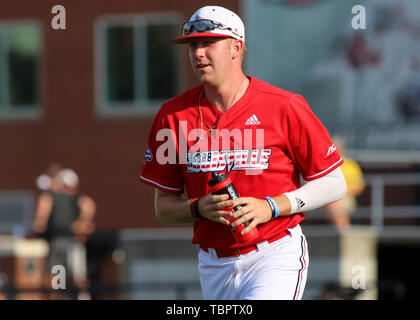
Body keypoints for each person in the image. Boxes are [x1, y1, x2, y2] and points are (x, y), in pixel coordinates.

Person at [139, 6, 347, 300]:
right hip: (213, 263)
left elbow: (334, 182)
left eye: (208, 43)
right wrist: (198, 208)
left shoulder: (283, 105)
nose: (198, 53)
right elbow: (163, 208)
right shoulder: (172, 115)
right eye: (193, 45)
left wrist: (271, 207)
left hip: (274, 253)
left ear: (236, 47)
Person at [32, 168, 96, 299]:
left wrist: (82, 224)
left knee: (76, 276)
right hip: (61, 241)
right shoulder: (53, 197)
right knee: (59, 277)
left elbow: (89, 207)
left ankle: (82, 297)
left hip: (70, 242)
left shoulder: (73, 198)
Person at [325, 137, 365, 232]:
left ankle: (341, 231)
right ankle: (343, 231)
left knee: (335, 205)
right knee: (334, 203)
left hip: (346, 196)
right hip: (330, 197)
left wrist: (343, 191)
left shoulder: (351, 164)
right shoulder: (327, 165)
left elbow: (359, 186)